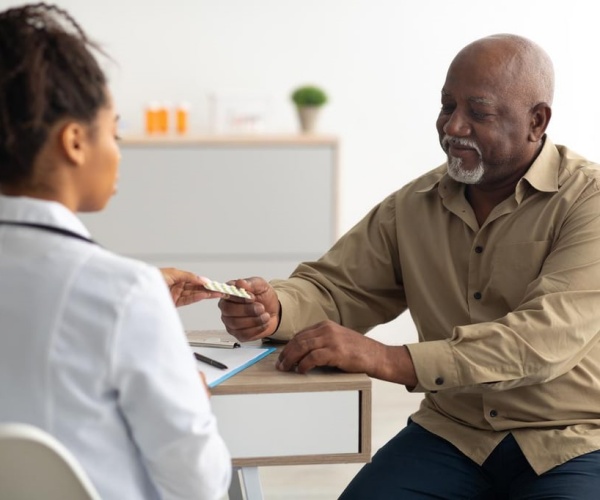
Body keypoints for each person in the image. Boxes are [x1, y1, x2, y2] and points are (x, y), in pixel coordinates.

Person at [219, 33, 600, 499]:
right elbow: (340, 289)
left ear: (536, 121)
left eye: (477, 112)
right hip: (453, 434)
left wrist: (389, 358)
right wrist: (276, 307)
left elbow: (542, 339)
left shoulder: (589, 202)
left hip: (575, 440)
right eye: (446, 106)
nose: (453, 127)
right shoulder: (413, 205)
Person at [0, 4, 231, 499]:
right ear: (75, 142)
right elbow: (199, 485)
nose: (119, 152)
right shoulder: (124, 294)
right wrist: (189, 390)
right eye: (115, 132)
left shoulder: (127, 291)